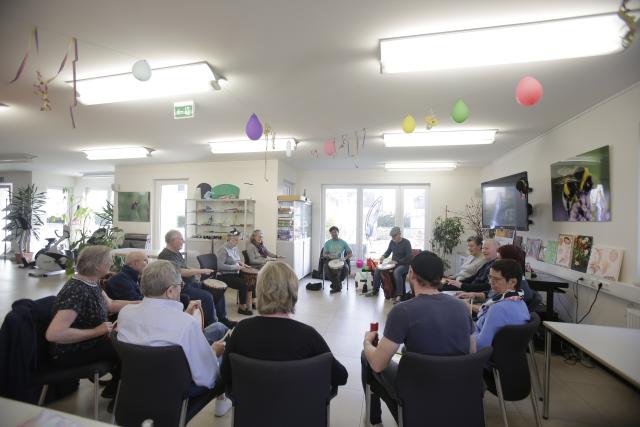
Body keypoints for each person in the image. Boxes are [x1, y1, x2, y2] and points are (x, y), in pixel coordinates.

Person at [361, 251, 475, 425]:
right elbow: (471, 352)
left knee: (367, 357)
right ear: (440, 277)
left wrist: (367, 342)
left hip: (418, 387)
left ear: (412, 274)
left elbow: (378, 364)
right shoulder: (461, 307)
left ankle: (374, 420)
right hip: (456, 387)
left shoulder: (403, 311)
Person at [116, 260, 232, 416]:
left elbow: (155, 334)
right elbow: (207, 377)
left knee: (217, 328)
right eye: (180, 285)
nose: (181, 289)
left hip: (137, 382)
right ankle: (222, 402)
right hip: (178, 388)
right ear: (170, 291)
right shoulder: (186, 324)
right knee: (224, 351)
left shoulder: (125, 313)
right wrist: (213, 352)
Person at [220, 261, 348, 391]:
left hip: (250, 409)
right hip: (300, 409)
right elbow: (341, 376)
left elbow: (225, 376)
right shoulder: (308, 336)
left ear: (259, 291)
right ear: (293, 292)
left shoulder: (241, 331)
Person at [45, 245, 138, 401]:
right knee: (130, 348)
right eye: (109, 261)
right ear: (98, 266)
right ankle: (118, 392)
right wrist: (97, 331)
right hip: (69, 353)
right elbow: (54, 334)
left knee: (127, 340)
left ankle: (116, 388)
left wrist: (145, 303)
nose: (111, 264)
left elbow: (111, 304)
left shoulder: (91, 282)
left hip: (88, 344)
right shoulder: (77, 290)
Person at [158, 230, 235, 328]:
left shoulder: (176, 253)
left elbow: (185, 268)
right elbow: (180, 272)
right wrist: (200, 271)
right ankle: (212, 325)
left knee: (218, 291)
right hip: (181, 287)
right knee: (207, 296)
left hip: (190, 283)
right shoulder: (166, 255)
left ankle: (223, 319)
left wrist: (197, 271)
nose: (183, 241)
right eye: (181, 239)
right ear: (173, 240)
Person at [457, 244, 539, 309]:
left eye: (499, 259)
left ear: (509, 262)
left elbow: (491, 310)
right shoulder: (509, 279)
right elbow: (491, 295)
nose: (495, 261)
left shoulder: (516, 289)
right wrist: (474, 295)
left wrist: (467, 306)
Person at [475, 259, 530, 349]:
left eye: (496, 279)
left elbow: (481, 346)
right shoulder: (520, 301)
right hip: (505, 355)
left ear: (512, 282)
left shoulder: (498, 308)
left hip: (484, 357)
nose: (490, 282)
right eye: (490, 277)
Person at [365, 226, 412, 303]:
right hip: (393, 263)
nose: (393, 239)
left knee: (397, 272)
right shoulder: (392, 242)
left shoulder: (406, 243)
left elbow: (409, 257)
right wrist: (383, 256)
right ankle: (375, 290)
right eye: (392, 237)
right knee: (378, 269)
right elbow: (388, 251)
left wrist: (397, 261)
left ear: (399, 234)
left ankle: (399, 295)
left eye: (394, 236)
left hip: (404, 265)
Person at [216, 230, 252, 315]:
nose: (237, 242)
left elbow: (236, 260)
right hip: (224, 275)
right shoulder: (223, 249)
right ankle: (242, 307)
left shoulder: (234, 248)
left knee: (249, 279)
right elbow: (220, 266)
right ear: (229, 239)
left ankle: (251, 302)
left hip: (234, 272)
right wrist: (235, 267)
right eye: (235, 240)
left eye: (238, 239)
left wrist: (241, 263)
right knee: (242, 284)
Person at [322, 226, 352, 294]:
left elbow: (350, 253)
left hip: (340, 260)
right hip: (330, 260)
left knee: (346, 268)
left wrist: (345, 258)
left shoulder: (343, 242)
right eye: (332, 232)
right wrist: (329, 255)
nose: (334, 234)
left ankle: (335, 284)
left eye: (335, 232)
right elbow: (324, 254)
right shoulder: (327, 243)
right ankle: (338, 286)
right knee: (326, 267)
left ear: (338, 232)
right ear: (330, 234)